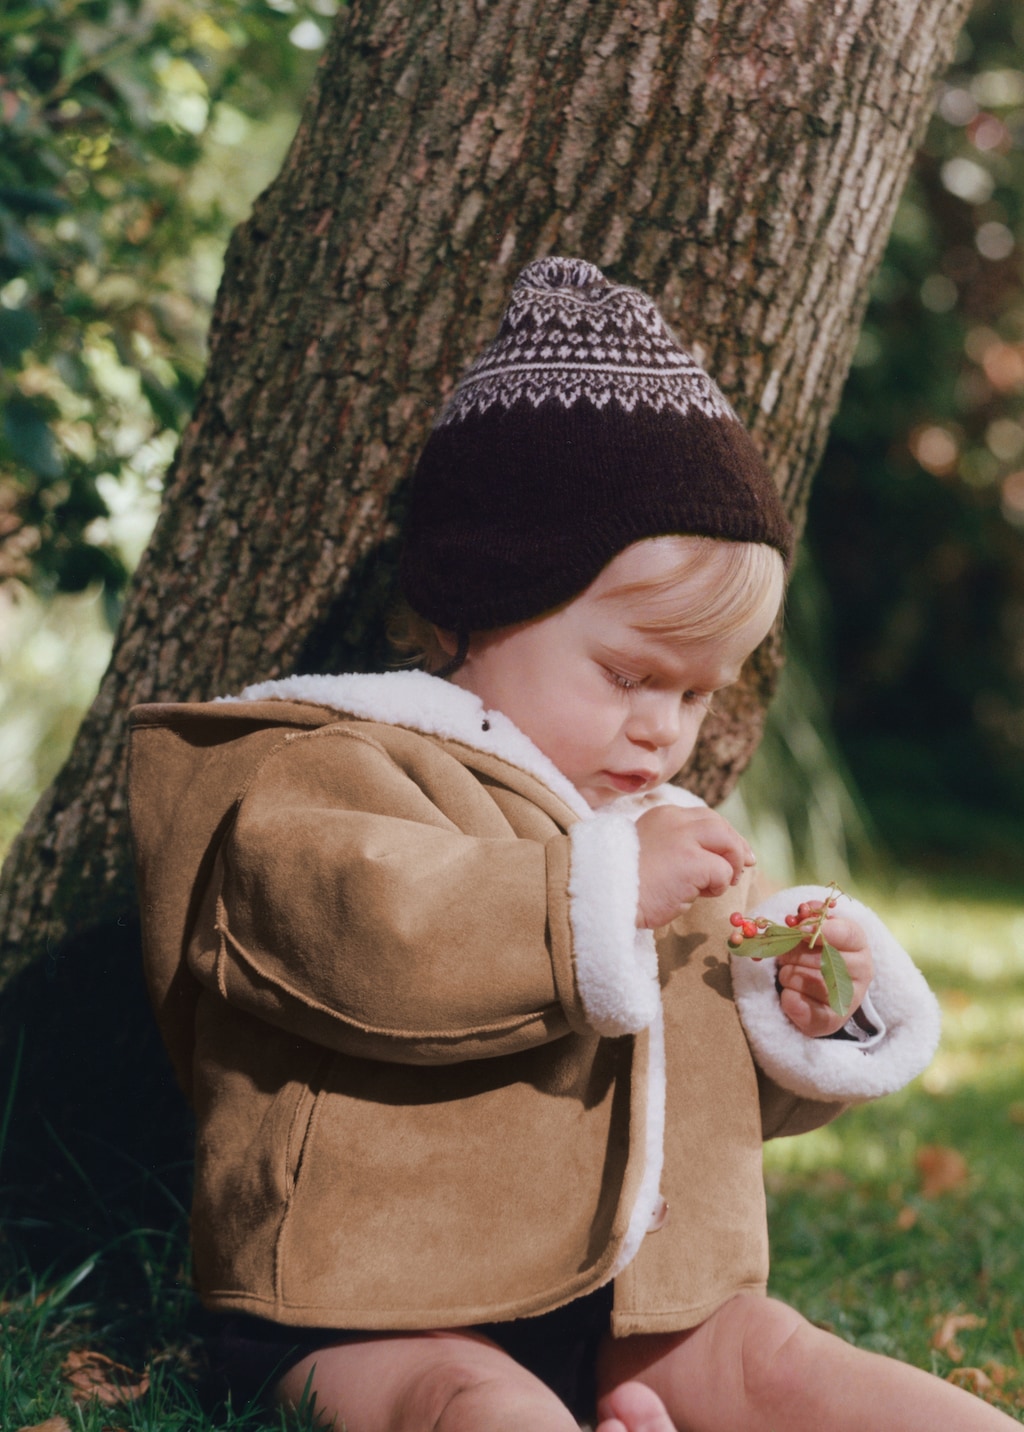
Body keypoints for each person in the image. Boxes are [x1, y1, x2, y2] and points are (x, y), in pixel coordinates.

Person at [128, 258, 1014, 1431]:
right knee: (468, 1398)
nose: (664, 725)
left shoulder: (644, 836)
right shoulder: (336, 769)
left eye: (699, 694)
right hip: (368, 1301)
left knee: (773, 1358)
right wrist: (588, 892)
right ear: (480, 598)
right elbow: (358, 929)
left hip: (628, 1307)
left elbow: (687, 1092)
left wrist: (799, 1013)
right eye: (629, 674)